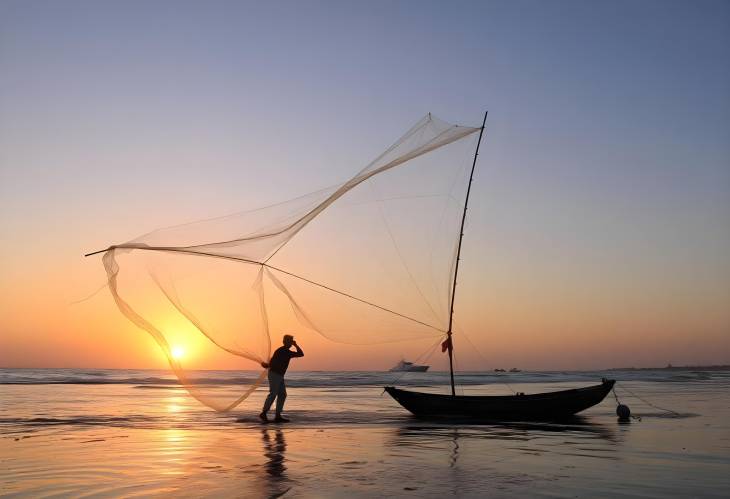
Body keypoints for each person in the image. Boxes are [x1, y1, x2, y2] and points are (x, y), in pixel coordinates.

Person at [259, 334, 303, 423]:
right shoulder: (281, 351)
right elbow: (273, 361)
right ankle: (264, 413)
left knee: (282, 394)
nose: (290, 343)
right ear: (284, 342)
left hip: (279, 375)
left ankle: (278, 416)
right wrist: (268, 365)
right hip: (274, 374)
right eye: (290, 341)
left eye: (291, 342)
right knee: (273, 393)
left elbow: (301, 354)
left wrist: (296, 345)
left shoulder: (287, 351)